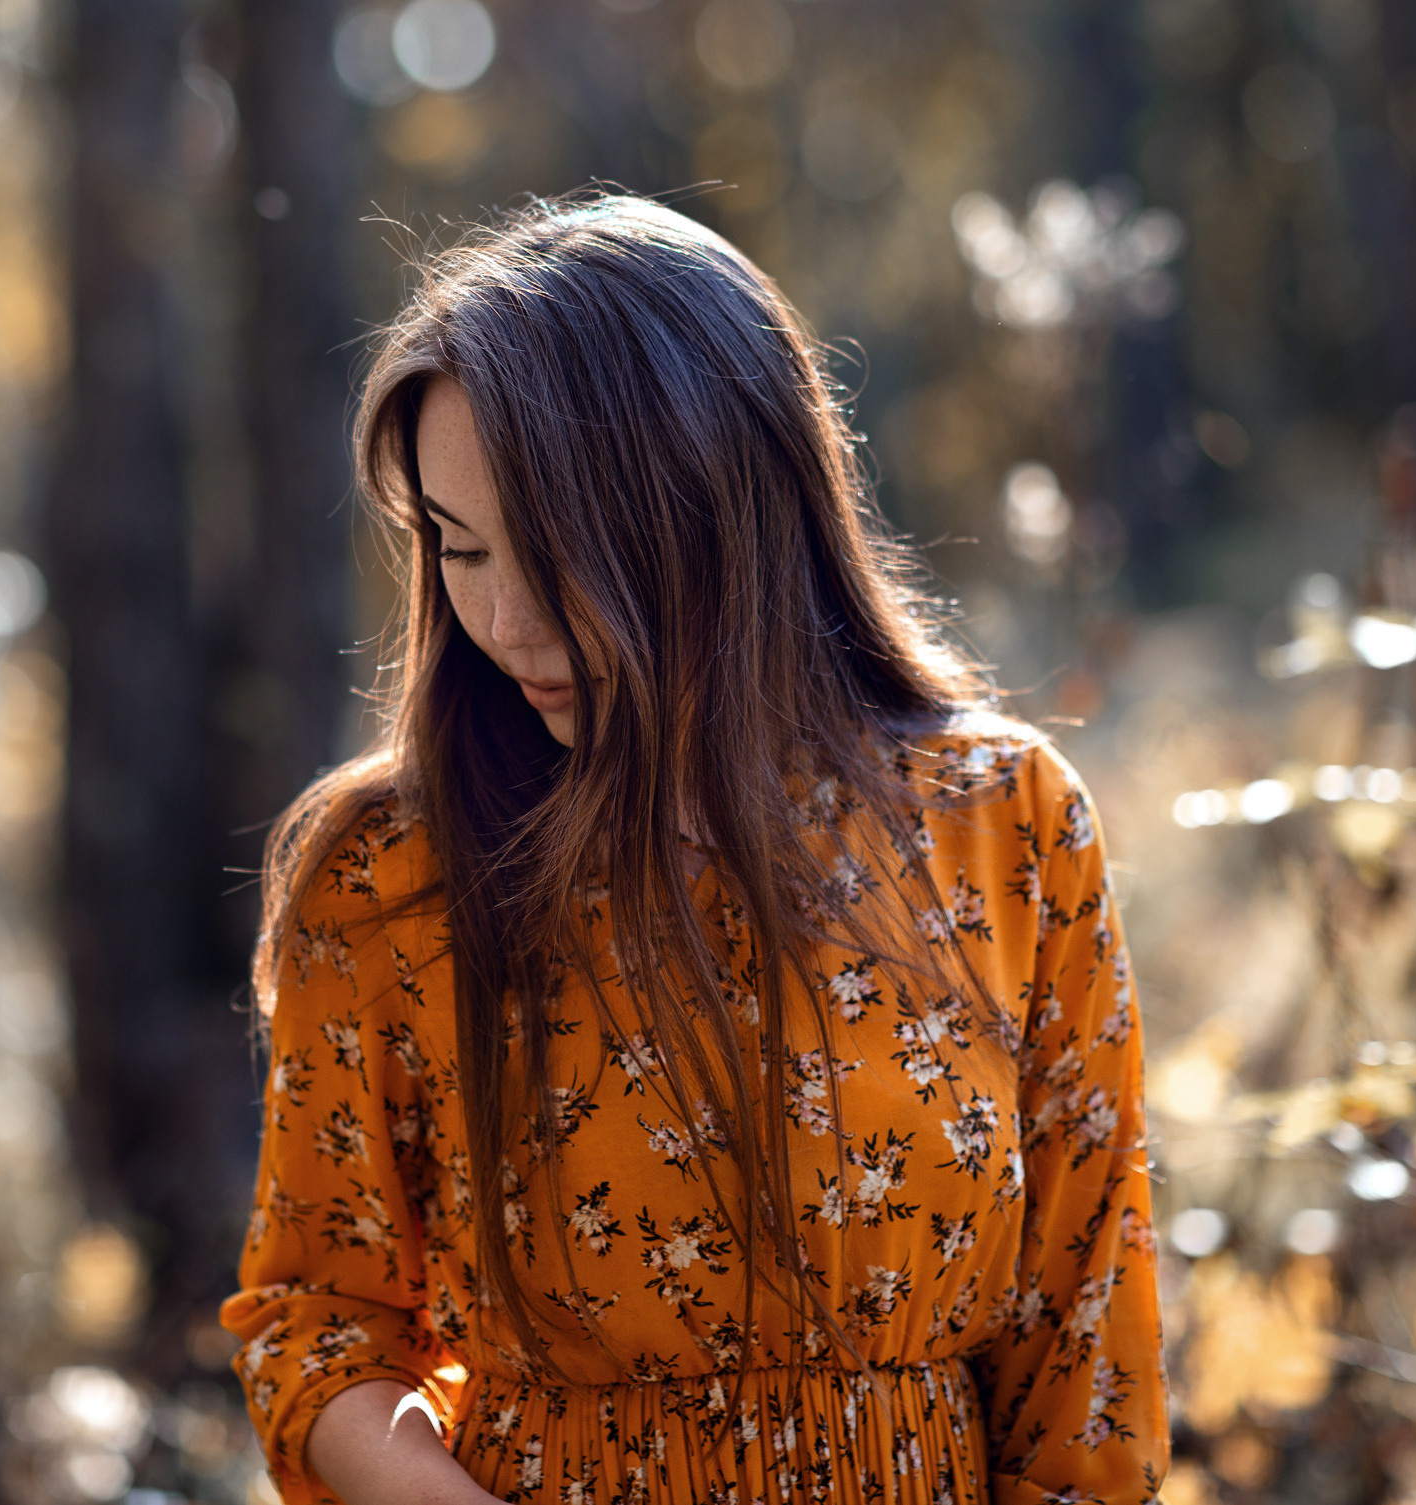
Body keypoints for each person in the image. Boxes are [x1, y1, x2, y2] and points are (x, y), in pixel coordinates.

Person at [219, 194, 1167, 1505]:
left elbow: (1086, 1357)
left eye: (552, 555)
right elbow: (317, 1324)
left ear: (721, 511)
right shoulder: (389, 871)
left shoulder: (1003, 826)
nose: (500, 618)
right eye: (458, 549)